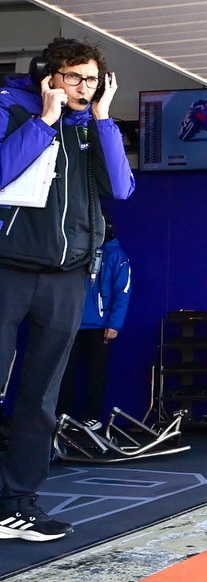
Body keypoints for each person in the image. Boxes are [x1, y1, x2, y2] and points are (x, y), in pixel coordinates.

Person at [0, 37, 135, 542]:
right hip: (7, 271)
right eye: (74, 77)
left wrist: (102, 120)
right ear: (48, 76)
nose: (84, 87)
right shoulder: (12, 110)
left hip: (66, 279)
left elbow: (120, 188)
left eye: (92, 79)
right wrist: (43, 122)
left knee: (39, 399)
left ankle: (18, 503)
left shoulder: (90, 129)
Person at [58, 208, 133, 428]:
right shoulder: (75, 252)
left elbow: (123, 291)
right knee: (65, 372)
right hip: (72, 323)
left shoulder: (117, 255)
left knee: (96, 373)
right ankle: (64, 416)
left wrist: (114, 324)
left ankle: (91, 416)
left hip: (100, 325)